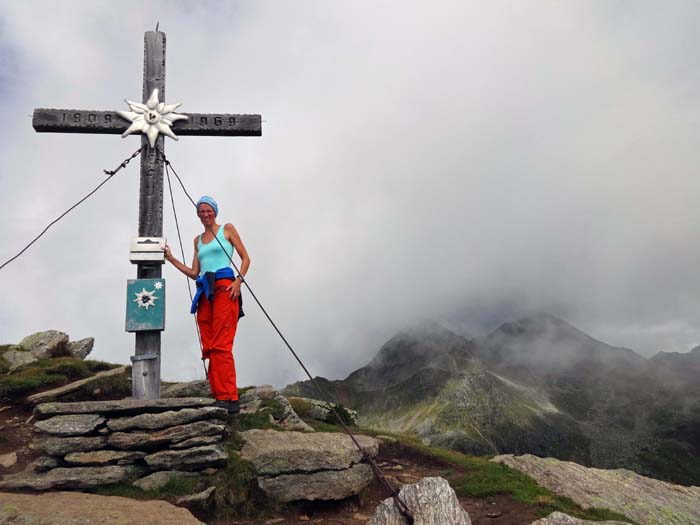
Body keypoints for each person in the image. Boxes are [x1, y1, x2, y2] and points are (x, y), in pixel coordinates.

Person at [164, 195, 250, 414]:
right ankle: (220, 394)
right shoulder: (197, 240)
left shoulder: (227, 229)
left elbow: (246, 258)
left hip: (224, 286)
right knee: (210, 344)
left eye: (208, 210)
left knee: (222, 343)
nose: (205, 214)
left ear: (215, 211)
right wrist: (172, 258)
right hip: (204, 291)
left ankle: (229, 397)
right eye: (201, 211)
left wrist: (238, 281)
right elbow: (194, 272)